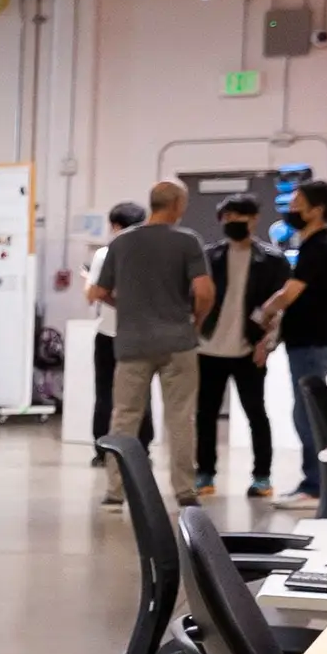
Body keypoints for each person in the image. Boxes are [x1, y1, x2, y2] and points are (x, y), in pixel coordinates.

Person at [98, 179, 215, 509]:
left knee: (124, 416)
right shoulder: (187, 241)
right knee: (180, 417)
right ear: (177, 204)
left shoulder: (121, 244)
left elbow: (99, 291)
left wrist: (130, 309)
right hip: (178, 341)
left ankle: (115, 491)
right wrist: (196, 322)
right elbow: (204, 292)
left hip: (133, 343)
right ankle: (184, 490)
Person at [255, 175, 327, 507]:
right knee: (304, 413)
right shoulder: (312, 246)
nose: (291, 212)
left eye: (297, 207)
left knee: (307, 415)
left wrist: (264, 311)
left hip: (312, 343)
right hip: (305, 342)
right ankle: (315, 481)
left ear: (317, 210)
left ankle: (315, 485)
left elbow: (291, 292)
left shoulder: (318, 248)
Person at [194, 194, 279, 500]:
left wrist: (266, 344)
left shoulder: (271, 260)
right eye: (228, 218)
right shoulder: (207, 257)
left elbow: (280, 310)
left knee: (256, 413)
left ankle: (262, 476)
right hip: (207, 349)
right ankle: (204, 473)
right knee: (205, 415)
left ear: (255, 218)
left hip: (249, 350)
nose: (234, 223)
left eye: (241, 217)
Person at [83, 200, 142, 445]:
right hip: (141, 333)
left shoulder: (106, 253)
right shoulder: (148, 255)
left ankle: (103, 445)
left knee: (106, 392)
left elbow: (94, 293)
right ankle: (141, 447)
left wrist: (88, 282)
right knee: (139, 394)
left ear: (115, 226)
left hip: (109, 332)